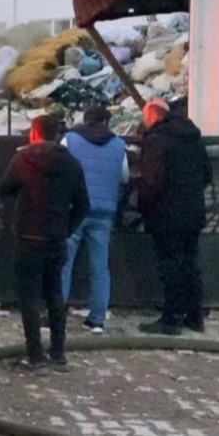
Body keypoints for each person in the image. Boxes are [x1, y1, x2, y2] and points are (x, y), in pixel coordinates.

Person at [0, 115, 89, 371]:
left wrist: (18, 212)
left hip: (27, 237)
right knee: (54, 293)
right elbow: (83, 205)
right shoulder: (71, 164)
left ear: (34, 134)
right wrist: (65, 228)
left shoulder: (22, 160)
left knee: (29, 297)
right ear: (57, 135)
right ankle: (58, 353)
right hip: (55, 238)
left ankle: (36, 356)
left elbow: (3, 190)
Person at [136, 98, 213, 335]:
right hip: (193, 212)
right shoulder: (194, 139)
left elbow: (152, 181)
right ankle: (194, 316)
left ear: (152, 117)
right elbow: (207, 174)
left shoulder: (157, 141)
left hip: (166, 214)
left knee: (170, 265)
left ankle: (171, 319)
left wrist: (143, 206)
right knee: (190, 263)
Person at [60, 106, 129, 335]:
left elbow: (58, 169)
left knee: (64, 263)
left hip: (74, 210)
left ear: (85, 120)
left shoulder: (69, 140)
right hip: (104, 212)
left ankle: (56, 313)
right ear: (107, 122)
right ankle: (97, 320)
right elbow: (124, 176)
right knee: (100, 268)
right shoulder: (119, 145)